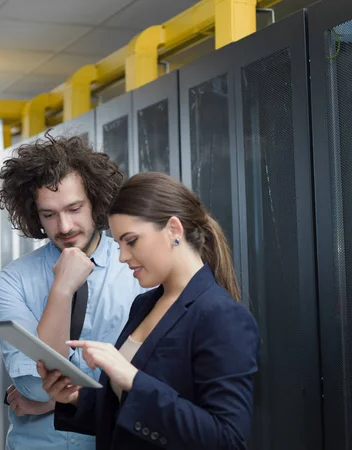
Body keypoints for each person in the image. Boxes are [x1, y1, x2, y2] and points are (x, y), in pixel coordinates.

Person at [38, 172, 260, 450]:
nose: (122, 256)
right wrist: (76, 398)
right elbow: (128, 413)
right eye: (119, 245)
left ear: (173, 230)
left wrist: (132, 378)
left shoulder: (222, 317)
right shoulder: (144, 305)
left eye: (131, 241)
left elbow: (226, 439)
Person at [0, 133, 149, 450]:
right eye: (49, 214)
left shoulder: (138, 273)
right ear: (35, 214)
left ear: (96, 201)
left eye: (74, 208)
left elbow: (150, 385)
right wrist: (62, 289)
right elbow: (34, 387)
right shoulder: (12, 282)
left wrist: (52, 403)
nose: (64, 227)